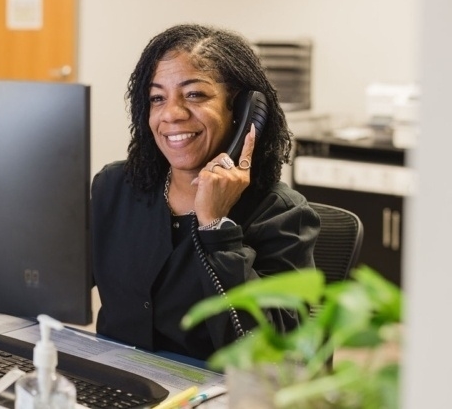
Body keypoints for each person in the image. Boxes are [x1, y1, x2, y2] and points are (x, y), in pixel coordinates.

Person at [90, 23, 320, 361]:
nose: (171, 113)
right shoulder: (116, 187)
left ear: (243, 112)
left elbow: (274, 354)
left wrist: (216, 227)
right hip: (116, 384)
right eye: (157, 98)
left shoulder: (282, 214)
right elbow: (53, 287)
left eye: (194, 94)